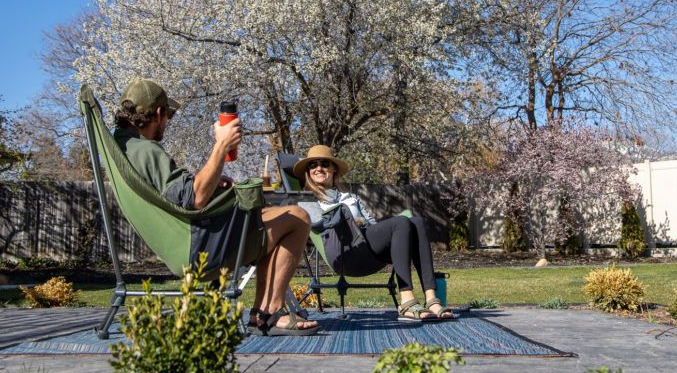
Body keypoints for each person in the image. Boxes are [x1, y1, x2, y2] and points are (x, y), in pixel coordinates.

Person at [113, 77, 318, 336]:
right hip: (198, 248)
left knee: (273, 218)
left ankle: (262, 313)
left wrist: (208, 180)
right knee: (297, 217)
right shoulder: (146, 151)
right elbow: (194, 198)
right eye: (169, 115)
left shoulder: (126, 148)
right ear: (158, 113)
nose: (168, 123)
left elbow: (180, 193)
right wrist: (222, 145)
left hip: (186, 238)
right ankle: (269, 312)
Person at [294, 145, 455, 322]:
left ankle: (432, 299)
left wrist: (362, 222)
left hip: (368, 251)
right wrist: (344, 218)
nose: (318, 168)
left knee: (416, 222)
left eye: (324, 163)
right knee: (400, 222)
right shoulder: (306, 199)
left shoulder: (351, 197)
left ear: (334, 169)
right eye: (312, 165)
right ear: (308, 172)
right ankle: (407, 301)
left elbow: (371, 224)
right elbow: (317, 225)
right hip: (344, 253)